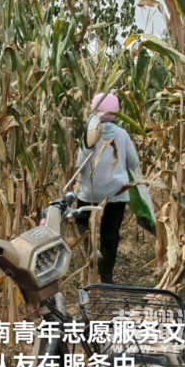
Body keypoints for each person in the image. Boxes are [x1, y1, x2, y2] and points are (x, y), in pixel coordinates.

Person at [73, 93, 141, 284]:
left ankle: (90, 249)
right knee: (110, 235)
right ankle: (107, 279)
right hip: (116, 193)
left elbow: (79, 165)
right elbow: (133, 164)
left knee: (81, 219)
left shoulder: (89, 135)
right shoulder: (123, 135)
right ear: (117, 112)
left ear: (94, 111)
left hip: (90, 192)